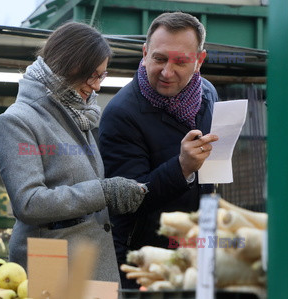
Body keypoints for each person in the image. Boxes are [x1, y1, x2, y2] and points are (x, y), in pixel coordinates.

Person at [0, 22, 148, 283]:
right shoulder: (17, 121)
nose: (97, 86)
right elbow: (29, 203)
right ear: (69, 64)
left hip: (91, 266)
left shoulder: (79, 115)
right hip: (51, 271)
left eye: (102, 76)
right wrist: (104, 192)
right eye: (93, 75)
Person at [98, 12, 219, 288]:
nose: (167, 72)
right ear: (145, 53)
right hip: (141, 262)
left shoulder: (208, 94)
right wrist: (182, 167)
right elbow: (126, 199)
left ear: (199, 61)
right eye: (160, 59)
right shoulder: (122, 113)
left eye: (181, 62)